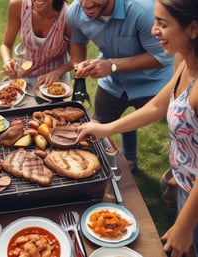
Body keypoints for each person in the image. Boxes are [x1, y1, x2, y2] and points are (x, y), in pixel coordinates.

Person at [75, 0, 198, 255]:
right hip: (186, 186)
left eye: (162, 24)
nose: (153, 31)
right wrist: (106, 128)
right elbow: (156, 107)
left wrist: (185, 224)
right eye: (155, 22)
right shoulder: (184, 63)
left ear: (193, 29)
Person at [66, 0, 174, 173]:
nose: (85, 4)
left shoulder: (143, 11)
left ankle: (177, 175)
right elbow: (77, 40)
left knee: (178, 131)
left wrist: (112, 65)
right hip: (113, 82)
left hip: (152, 83)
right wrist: (79, 63)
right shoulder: (75, 11)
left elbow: (162, 58)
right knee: (97, 123)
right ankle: (130, 160)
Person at [0, 0, 74, 88]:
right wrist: (7, 61)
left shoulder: (68, 17)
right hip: (22, 76)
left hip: (54, 81)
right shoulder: (17, 5)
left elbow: (77, 59)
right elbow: (6, 45)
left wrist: (57, 72)